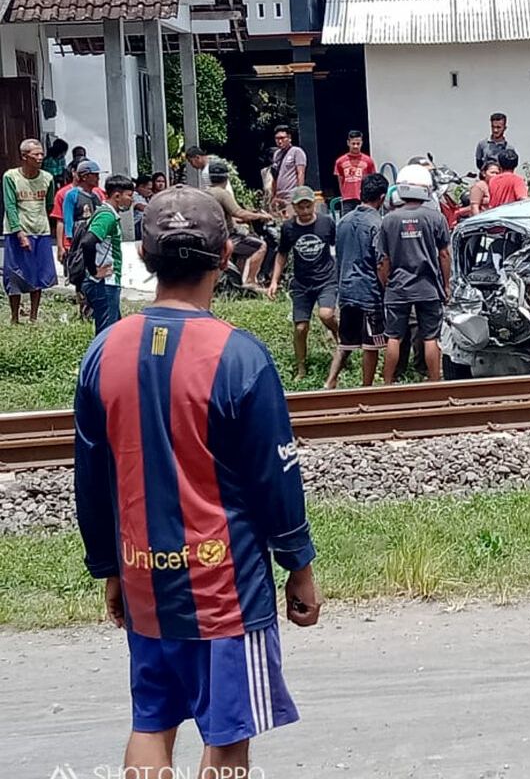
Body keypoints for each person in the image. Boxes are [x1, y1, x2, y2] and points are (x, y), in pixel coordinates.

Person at [73, 186, 320, 779]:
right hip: (224, 589)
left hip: (142, 578)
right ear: (227, 253)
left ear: (145, 256)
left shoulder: (104, 351)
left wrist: (108, 567)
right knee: (228, 736)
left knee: (151, 723)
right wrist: (300, 567)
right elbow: (276, 479)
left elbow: (91, 478)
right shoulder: (239, 356)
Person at [377, 167, 451, 384]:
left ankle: (387, 384)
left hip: (398, 287)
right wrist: (446, 285)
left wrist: (386, 283)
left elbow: (383, 260)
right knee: (430, 337)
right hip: (428, 287)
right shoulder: (435, 218)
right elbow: (444, 255)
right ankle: (434, 382)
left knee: (393, 337)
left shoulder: (388, 220)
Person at [326, 173, 389, 389]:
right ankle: (366, 388)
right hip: (369, 291)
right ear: (381, 198)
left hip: (346, 290)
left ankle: (330, 381)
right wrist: (386, 287)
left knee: (346, 342)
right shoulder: (377, 224)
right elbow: (380, 262)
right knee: (371, 345)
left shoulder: (343, 221)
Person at [268, 187, 338, 380]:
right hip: (301, 283)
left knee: (326, 315)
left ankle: (340, 338)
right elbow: (282, 254)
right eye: (301, 207)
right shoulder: (288, 228)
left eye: (308, 206)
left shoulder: (327, 223)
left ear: (314, 205)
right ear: (294, 208)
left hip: (326, 279)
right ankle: (301, 367)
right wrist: (274, 281)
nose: (305, 211)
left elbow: (335, 245)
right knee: (300, 328)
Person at [3, 138, 56, 325]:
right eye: (36, 154)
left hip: (40, 230)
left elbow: (49, 203)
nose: (40, 157)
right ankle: (15, 317)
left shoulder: (47, 178)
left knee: (38, 275)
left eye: (42, 153)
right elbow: (10, 206)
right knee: (15, 274)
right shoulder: (11, 177)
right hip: (16, 232)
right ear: (25, 157)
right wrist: (19, 231)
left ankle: (34, 316)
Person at [77, 175, 135, 334]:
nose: (131, 200)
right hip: (104, 283)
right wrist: (95, 271)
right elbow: (88, 242)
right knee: (106, 335)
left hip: (106, 283)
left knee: (115, 332)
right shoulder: (106, 216)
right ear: (117, 196)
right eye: (129, 196)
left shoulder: (107, 214)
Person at [208, 160, 273, 289]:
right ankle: (250, 282)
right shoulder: (222, 193)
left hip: (211, 235)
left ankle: (237, 282)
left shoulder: (205, 193)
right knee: (261, 246)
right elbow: (239, 212)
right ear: (227, 178)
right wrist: (261, 216)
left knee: (244, 248)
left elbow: (226, 216)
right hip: (227, 237)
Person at [269, 125, 308, 214]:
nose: (279, 141)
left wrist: (299, 193)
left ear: (289, 138)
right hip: (279, 195)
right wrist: (273, 196)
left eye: (282, 138)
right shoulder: (276, 154)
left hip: (291, 194)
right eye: (277, 138)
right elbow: (275, 176)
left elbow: (301, 173)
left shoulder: (297, 152)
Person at [333, 129, 377, 207]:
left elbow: (372, 180)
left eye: (358, 143)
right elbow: (340, 181)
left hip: (363, 199)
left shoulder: (368, 161)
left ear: (361, 143)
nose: (355, 146)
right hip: (347, 199)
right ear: (348, 143)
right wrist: (343, 195)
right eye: (353, 143)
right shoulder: (340, 162)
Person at [133, 175, 153, 240]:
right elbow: (139, 206)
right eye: (148, 189)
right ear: (141, 187)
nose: (150, 191)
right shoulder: (134, 195)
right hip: (137, 226)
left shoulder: (144, 197)